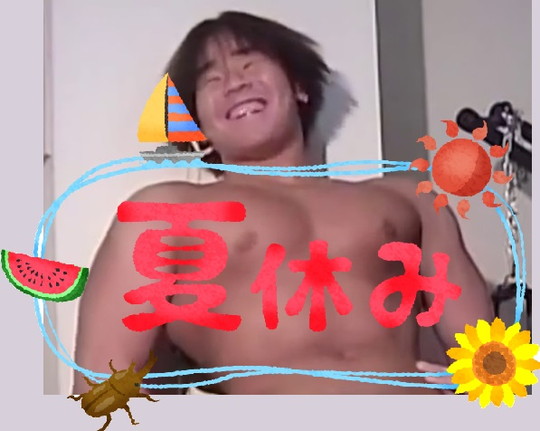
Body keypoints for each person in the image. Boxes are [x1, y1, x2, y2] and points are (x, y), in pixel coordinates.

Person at [72, 11, 494, 395]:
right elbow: (99, 388)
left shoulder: (408, 200)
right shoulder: (163, 215)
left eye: (249, 63)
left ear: (299, 87)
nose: (234, 82)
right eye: (211, 80)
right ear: (195, 124)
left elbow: (494, 363)